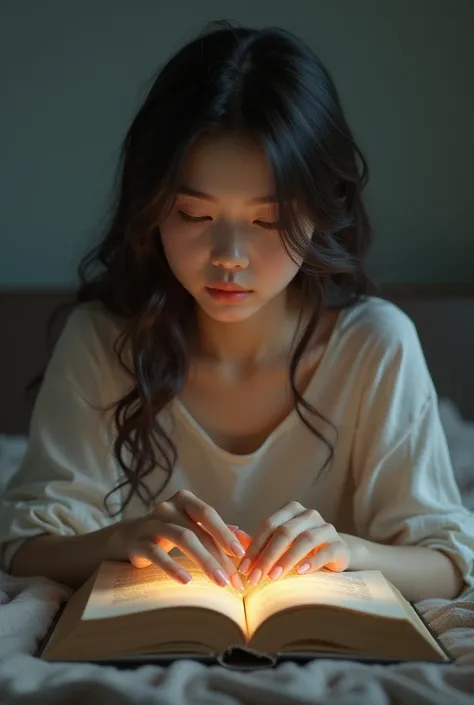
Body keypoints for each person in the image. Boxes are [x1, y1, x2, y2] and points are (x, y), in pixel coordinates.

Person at [1, 21, 472, 602]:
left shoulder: (373, 344)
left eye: (268, 220)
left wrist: (350, 551)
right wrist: (118, 540)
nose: (228, 258)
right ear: (152, 212)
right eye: (195, 217)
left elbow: (449, 563)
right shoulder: (104, 342)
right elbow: (25, 544)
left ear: (322, 211)